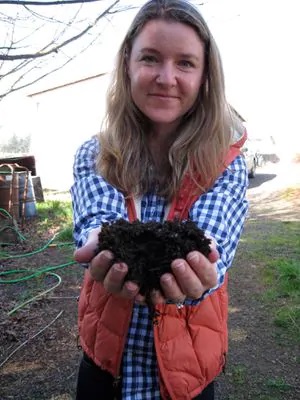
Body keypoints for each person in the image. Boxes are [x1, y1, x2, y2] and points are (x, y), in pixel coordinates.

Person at [70, 1, 249, 399]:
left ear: (205, 77)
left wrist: (203, 267)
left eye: (185, 63)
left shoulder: (225, 162)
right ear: (128, 66)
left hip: (185, 376)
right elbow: (98, 217)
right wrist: (100, 239)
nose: (166, 78)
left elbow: (211, 237)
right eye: (150, 58)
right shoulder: (96, 154)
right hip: (105, 371)